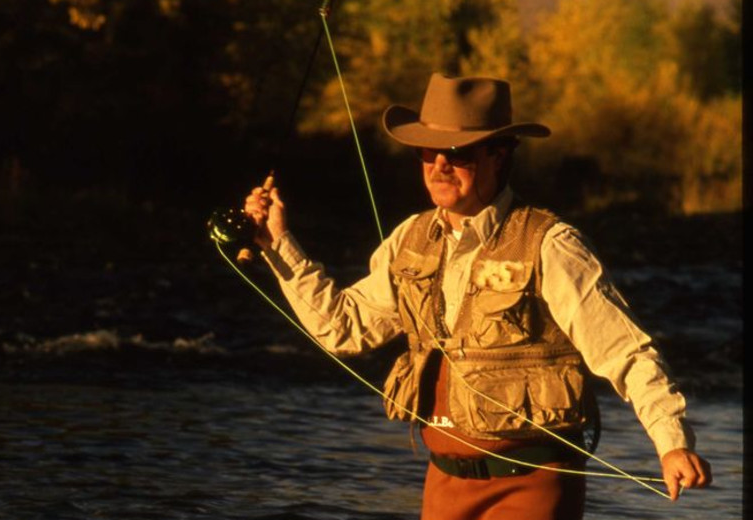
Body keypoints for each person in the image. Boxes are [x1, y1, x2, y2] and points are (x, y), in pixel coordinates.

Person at [243, 73, 711, 520]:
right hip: (443, 484)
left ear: (499, 155)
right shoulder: (410, 238)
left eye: (458, 151)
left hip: (533, 484)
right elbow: (341, 329)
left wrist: (671, 442)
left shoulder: (550, 243)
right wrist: (279, 244)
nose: (440, 165)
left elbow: (624, 350)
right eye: (429, 151)